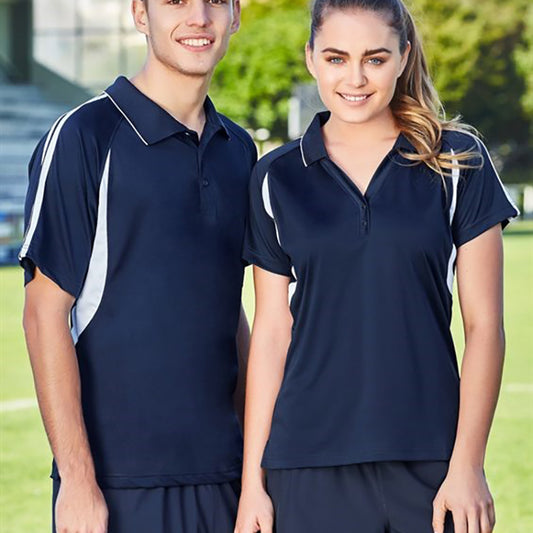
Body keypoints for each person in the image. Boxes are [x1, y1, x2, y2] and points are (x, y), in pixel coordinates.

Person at [235, 0, 519, 532]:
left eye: (376, 58)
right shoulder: (275, 177)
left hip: (433, 462)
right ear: (311, 59)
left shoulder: (456, 160)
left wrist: (467, 465)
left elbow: (485, 329)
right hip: (306, 464)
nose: (356, 78)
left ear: (403, 57)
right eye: (337, 58)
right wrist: (253, 483)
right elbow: (273, 334)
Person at [20, 1, 256, 532]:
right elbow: (43, 315)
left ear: (235, 14)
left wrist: (256, 468)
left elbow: (228, 308)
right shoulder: (85, 136)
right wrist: (79, 484)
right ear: (140, 13)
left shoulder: (238, 151)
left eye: (215, 0)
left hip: (226, 479)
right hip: (118, 485)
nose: (198, 16)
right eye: (174, 0)